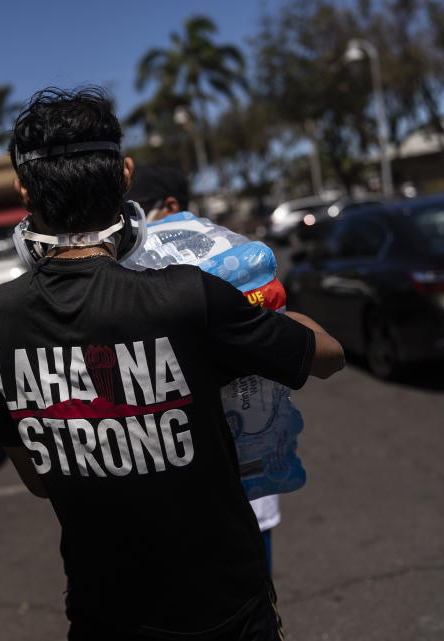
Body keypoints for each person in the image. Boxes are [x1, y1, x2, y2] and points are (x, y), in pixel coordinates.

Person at [0, 87, 344, 640]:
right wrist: (259, 301)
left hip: (103, 616)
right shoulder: (188, 296)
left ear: (23, 189)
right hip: (224, 613)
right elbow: (328, 357)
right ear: (124, 175)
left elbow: (41, 483)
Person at [126, 165, 294, 576]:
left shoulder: (228, 257)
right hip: (180, 472)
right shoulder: (137, 264)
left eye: (140, 212)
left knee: (251, 579)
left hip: (242, 462)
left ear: (170, 206)